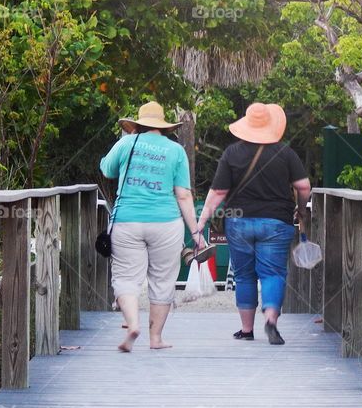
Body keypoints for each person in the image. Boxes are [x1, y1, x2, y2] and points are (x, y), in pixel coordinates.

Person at [196, 102, 311, 345]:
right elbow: (303, 187)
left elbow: (217, 192)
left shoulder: (232, 153)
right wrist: (301, 210)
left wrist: (201, 221)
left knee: (244, 275)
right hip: (276, 221)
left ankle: (247, 330)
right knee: (272, 273)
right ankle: (271, 318)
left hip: (239, 222)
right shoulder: (286, 153)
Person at [100, 101, 206, 352]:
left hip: (127, 220)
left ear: (138, 124)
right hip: (166, 223)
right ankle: (156, 338)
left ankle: (133, 324)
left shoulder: (126, 142)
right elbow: (183, 195)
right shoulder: (176, 150)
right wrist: (195, 232)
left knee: (126, 277)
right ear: (163, 127)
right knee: (163, 280)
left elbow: (107, 170)